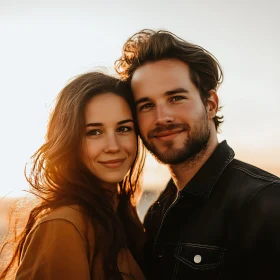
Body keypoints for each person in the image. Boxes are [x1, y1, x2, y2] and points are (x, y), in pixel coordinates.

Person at [114, 29, 280, 279]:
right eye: (147, 105)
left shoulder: (264, 203)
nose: (162, 118)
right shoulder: (158, 212)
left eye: (176, 97)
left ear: (210, 104)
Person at [0, 72, 146, 280]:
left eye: (123, 128)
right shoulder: (63, 226)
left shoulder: (121, 214)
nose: (113, 146)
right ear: (70, 140)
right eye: (94, 132)